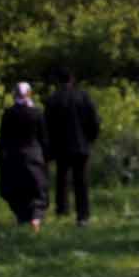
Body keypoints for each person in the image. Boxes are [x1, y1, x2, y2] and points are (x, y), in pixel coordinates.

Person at [44, 70, 102, 225]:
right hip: (81, 145)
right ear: (73, 80)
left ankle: (62, 209)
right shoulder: (83, 97)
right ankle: (83, 214)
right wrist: (90, 139)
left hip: (61, 145)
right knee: (81, 181)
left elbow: (47, 126)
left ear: (58, 81)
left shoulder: (53, 99)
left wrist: (49, 147)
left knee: (62, 178)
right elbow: (94, 121)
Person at [0, 82, 49, 230]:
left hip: (14, 156)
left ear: (14, 95)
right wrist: (47, 155)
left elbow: (3, 138)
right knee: (37, 188)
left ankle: (22, 217)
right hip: (34, 155)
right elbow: (43, 137)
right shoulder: (36, 113)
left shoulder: (9, 114)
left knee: (18, 188)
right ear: (29, 94)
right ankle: (36, 218)